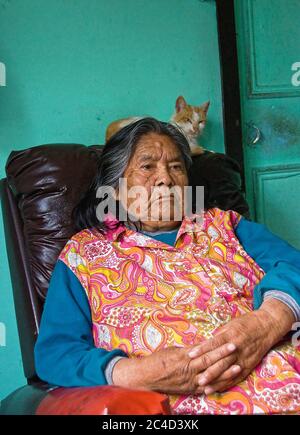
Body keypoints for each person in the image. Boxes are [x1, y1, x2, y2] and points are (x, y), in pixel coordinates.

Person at [35, 118, 300, 415]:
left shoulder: (226, 225)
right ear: (116, 190)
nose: (165, 179)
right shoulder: (84, 254)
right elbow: (56, 353)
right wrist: (136, 373)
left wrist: (268, 322)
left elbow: (294, 265)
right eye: (147, 167)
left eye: (176, 167)